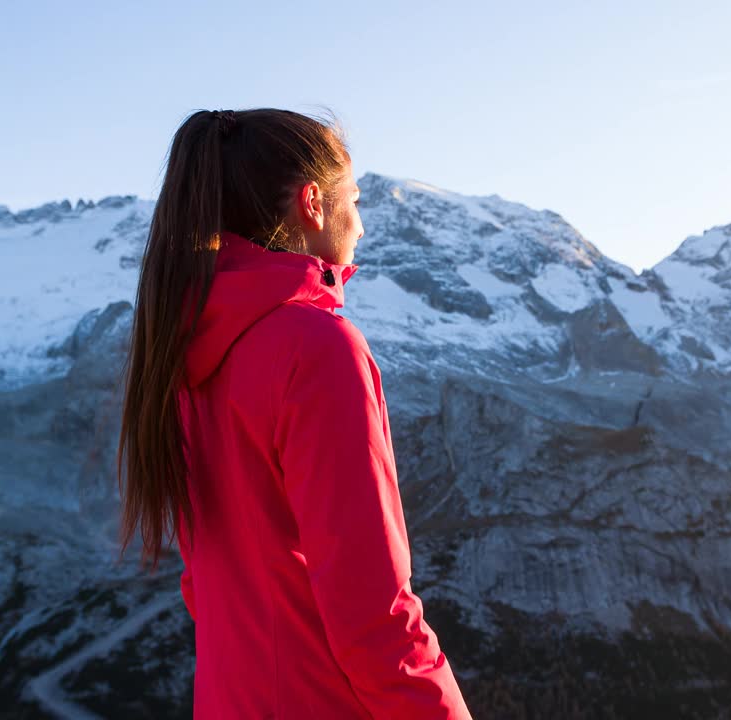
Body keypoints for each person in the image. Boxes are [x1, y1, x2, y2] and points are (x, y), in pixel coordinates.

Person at [116, 107, 473, 719]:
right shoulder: (317, 349)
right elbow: (373, 617)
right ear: (313, 203)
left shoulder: (186, 347)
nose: (361, 227)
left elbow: (208, 589)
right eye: (354, 201)